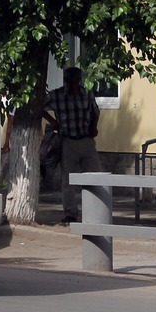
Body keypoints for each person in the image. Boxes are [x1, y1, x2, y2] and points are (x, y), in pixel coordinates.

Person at [43, 66, 101, 223]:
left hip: (86, 140)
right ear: (66, 81)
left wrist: (94, 127)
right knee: (68, 180)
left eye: (75, 82)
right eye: (70, 82)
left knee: (94, 177)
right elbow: (39, 107)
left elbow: (96, 111)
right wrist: (52, 121)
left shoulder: (87, 93)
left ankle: (95, 211)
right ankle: (70, 214)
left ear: (79, 81)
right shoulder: (57, 95)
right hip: (67, 141)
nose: (73, 86)